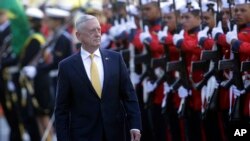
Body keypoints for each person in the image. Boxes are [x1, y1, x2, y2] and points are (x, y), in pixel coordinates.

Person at [55, 14, 142, 141]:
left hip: (115, 132)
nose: (97, 34)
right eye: (92, 31)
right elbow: (61, 109)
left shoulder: (115, 59)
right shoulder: (66, 66)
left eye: (99, 29)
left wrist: (135, 125)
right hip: (83, 135)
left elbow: (129, 95)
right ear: (78, 36)